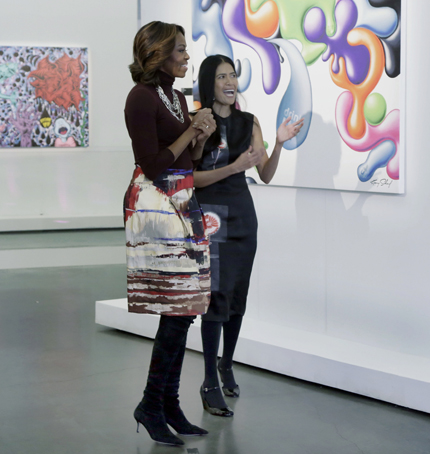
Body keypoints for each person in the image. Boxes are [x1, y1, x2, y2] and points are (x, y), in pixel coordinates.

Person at [193, 54, 304, 416]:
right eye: (222, 76)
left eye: (233, 76)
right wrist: (227, 161)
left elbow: (266, 174)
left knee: (238, 296)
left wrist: (280, 142)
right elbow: (191, 176)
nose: (230, 82)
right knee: (215, 297)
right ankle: (209, 379)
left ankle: (227, 364)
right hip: (211, 215)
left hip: (243, 215)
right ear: (209, 82)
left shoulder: (248, 122)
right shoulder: (199, 121)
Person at [124, 21, 217, 446]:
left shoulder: (176, 97)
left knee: (186, 308)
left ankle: (167, 404)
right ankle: (152, 403)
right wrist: (191, 130)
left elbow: (188, 160)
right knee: (175, 309)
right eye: (180, 49)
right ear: (158, 53)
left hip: (182, 199)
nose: (186, 56)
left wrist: (200, 136)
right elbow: (155, 163)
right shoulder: (140, 98)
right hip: (156, 205)